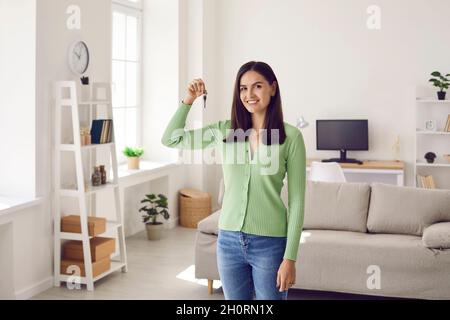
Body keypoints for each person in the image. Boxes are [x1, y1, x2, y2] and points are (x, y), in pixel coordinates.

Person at [161, 61, 306, 300]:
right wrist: (188, 100)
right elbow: (171, 140)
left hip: (270, 245)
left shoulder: (291, 137)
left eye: (257, 86)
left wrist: (290, 257)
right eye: (243, 88)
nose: (249, 95)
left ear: (272, 88)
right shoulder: (225, 131)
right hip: (228, 241)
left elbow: (298, 200)